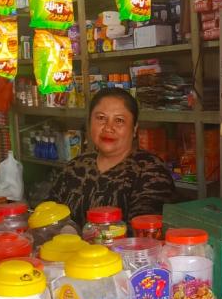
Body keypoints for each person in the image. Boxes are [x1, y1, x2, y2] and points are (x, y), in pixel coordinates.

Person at [49, 87, 175, 230]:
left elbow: (143, 233)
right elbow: (48, 218)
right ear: (89, 123)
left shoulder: (151, 172)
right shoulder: (75, 167)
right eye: (101, 118)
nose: (108, 128)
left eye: (119, 120)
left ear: (134, 129)